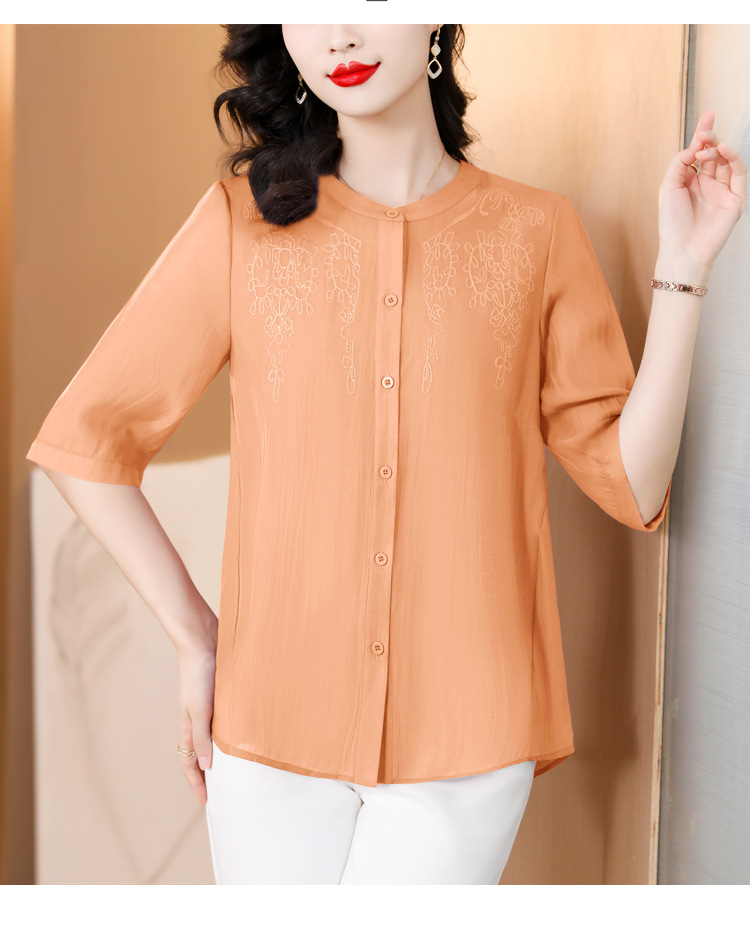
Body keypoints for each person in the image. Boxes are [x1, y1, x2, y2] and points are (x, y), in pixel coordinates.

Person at [25, 24, 746, 885]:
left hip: (468, 739)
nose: (341, 33)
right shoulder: (239, 224)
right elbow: (85, 443)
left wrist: (683, 266)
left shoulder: (536, 232)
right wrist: (198, 639)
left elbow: (633, 480)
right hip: (268, 733)